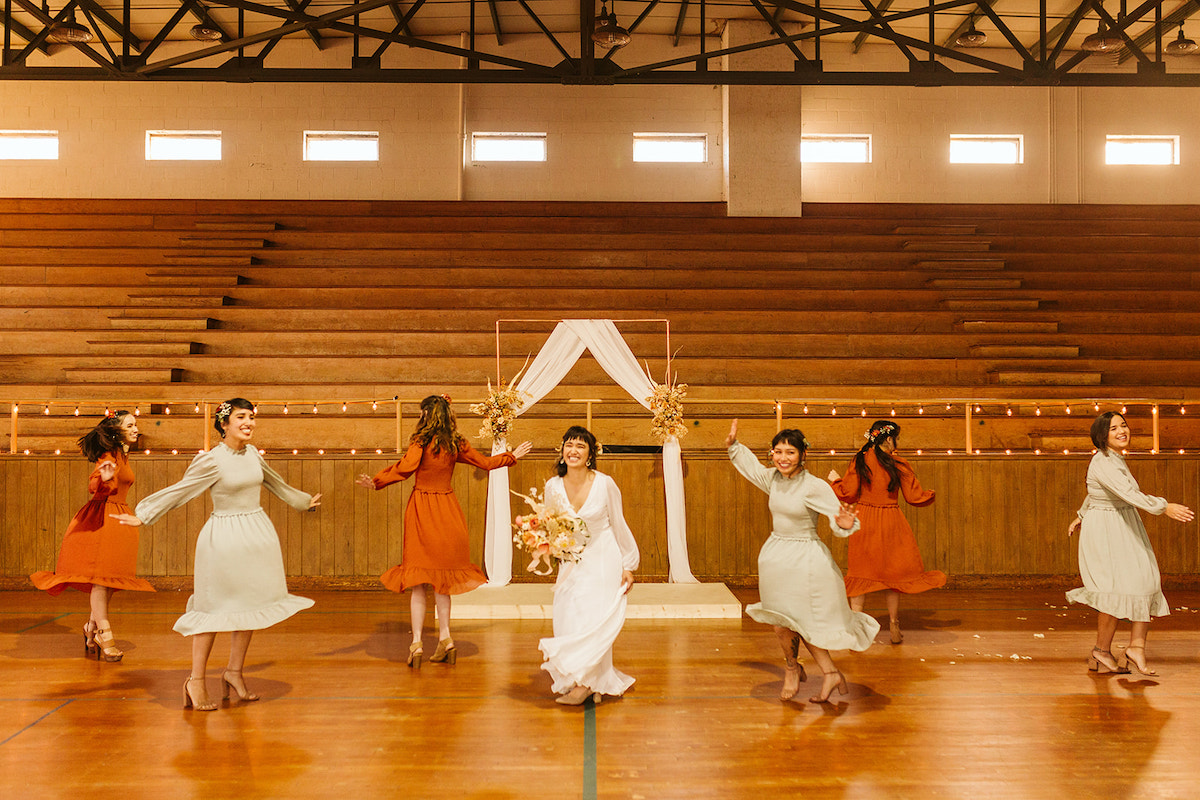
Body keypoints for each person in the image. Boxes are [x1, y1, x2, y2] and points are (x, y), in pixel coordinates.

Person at [112, 398, 321, 711]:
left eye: (251, 417)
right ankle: (195, 680)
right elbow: (182, 489)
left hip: (256, 534)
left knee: (251, 605)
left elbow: (275, 483)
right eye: (241, 417)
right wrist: (145, 514)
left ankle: (234, 672)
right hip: (223, 539)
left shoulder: (252, 454)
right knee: (212, 609)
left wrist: (302, 502)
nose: (249, 422)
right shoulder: (211, 460)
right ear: (224, 424)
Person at [356, 394, 531, 668]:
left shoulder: (421, 442)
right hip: (448, 509)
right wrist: (511, 456)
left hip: (423, 509)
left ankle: (416, 643)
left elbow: (405, 468)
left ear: (427, 415)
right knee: (442, 581)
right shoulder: (455, 443)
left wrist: (377, 481)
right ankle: (446, 639)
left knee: (418, 580)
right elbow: (485, 464)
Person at [726, 419, 878, 704]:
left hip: (806, 561)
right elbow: (752, 469)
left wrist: (845, 523)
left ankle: (807, 671)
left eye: (790, 452)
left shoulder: (814, 486)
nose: (783, 458)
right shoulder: (772, 479)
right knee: (781, 623)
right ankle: (806, 669)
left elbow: (839, 520)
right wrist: (734, 446)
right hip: (775, 558)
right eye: (778, 452)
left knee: (801, 622)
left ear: (802, 455)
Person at [1066, 411, 1194, 676]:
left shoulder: (1113, 459)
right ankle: (1107, 651)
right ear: (1102, 436)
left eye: (1123, 426)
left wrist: (1080, 515)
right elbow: (1126, 493)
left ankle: (1128, 648)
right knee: (1115, 590)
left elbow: (1098, 493)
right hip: (1107, 529)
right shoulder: (1103, 462)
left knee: (1143, 580)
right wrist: (1164, 506)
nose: (1122, 431)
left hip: (1121, 523)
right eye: (1113, 429)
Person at [31, 411, 154, 662]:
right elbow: (95, 485)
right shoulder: (108, 456)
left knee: (109, 580)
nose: (136, 429)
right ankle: (105, 636)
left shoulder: (122, 455)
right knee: (100, 580)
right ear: (116, 431)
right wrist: (105, 479)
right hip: (102, 519)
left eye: (136, 424)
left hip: (119, 519)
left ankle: (91, 628)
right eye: (130, 425)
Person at [537, 426, 638, 706]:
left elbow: (618, 523)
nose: (574, 451)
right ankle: (591, 681)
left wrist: (628, 564)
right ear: (562, 450)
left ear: (590, 454)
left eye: (581, 446)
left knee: (594, 620)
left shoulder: (605, 483)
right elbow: (549, 525)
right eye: (569, 445)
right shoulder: (552, 486)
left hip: (603, 558)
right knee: (569, 617)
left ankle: (585, 685)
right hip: (571, 560)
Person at [828, 420, 944, 645]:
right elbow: (913, 497)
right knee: (893, 577)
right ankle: (893, 624)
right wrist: (930, 494)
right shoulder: (898, 463)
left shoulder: (860, 460)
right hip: (892, 521)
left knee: (860, 574)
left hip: (865, 521)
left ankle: (856, 630)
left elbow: (848, 493)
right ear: (888, 438)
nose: (896, 443)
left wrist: (835, 481)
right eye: (896, 438)